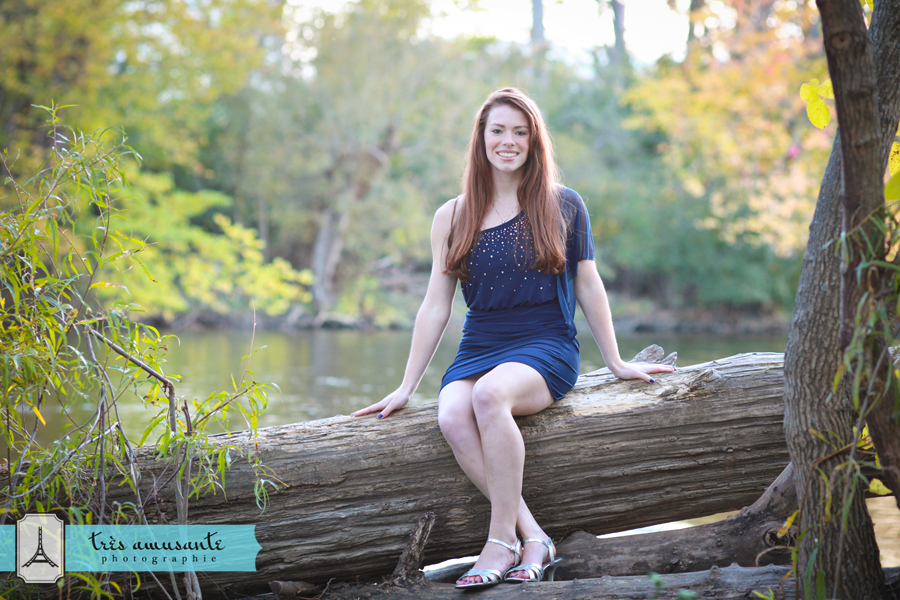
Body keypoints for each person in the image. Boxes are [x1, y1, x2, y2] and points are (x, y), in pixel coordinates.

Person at [351, 87, 674, 588]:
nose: (508, 141)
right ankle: (534, 536)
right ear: (481, 137)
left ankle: (499, 541)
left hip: (546, 344)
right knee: (451, 414)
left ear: (534, 141)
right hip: (479, 345)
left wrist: (614, 361)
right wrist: (406, 386)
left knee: (489, 395)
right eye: (498, 130)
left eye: (520, 132)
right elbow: (436, 305)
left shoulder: (564, 204)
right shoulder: (451, 216)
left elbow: (589, 284)